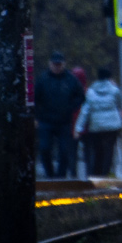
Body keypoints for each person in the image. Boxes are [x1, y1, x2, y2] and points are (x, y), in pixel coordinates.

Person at [35, 51, 85, 179]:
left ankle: (61, 176)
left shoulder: (71, 80)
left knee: (64, 151)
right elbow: (35, 98)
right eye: (54, 64)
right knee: (45, 148)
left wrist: (70, 108)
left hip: (64, 121)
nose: (57, 67)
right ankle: (50, 174)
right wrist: (36, 116)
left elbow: (80, 96)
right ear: (50, 64)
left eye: (59, 64)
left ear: (63, 64)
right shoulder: (43, 79)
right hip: (46, 120)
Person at [76, 67, 122, 178]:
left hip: (96, 127)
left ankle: (96, 175)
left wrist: (78, 128)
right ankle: (106, 173)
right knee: (109, 151)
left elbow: (85, 111)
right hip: (112, 126)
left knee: (97, 151)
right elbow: (120, 106)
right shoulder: (115, 90)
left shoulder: (91, 91)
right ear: (109, 77)